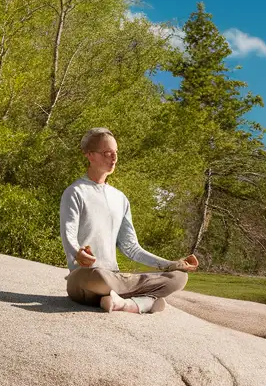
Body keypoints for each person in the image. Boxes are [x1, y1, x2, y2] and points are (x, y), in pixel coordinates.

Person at [61, 127, 199, 313]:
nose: (114, 158)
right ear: (90, 155)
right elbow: (68, 232)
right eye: (107, 153)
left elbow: (132, 248)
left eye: (116, 153)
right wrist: (77, 252)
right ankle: (143, 302)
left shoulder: (120, 198)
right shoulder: (75, 192)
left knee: (179, 277)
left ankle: (122, 302)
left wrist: (171, 264)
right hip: (86, 280)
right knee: (99, 276)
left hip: (115, 278)